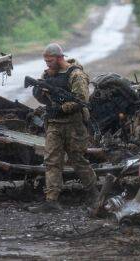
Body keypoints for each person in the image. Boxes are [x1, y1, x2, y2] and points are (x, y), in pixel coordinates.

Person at [28, 43, 99, 213]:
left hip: (74, 124)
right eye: (45, 61)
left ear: (60, 58)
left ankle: (95, 194)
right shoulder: (47, 74)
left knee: (78, 160)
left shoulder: (76, 74)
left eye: (50, 60)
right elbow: (44, 99)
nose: (47, 64)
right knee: (52, 162)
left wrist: (61, 108)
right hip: (54, 124)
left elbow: (81, 99)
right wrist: (39, 91)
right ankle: (51, 200)